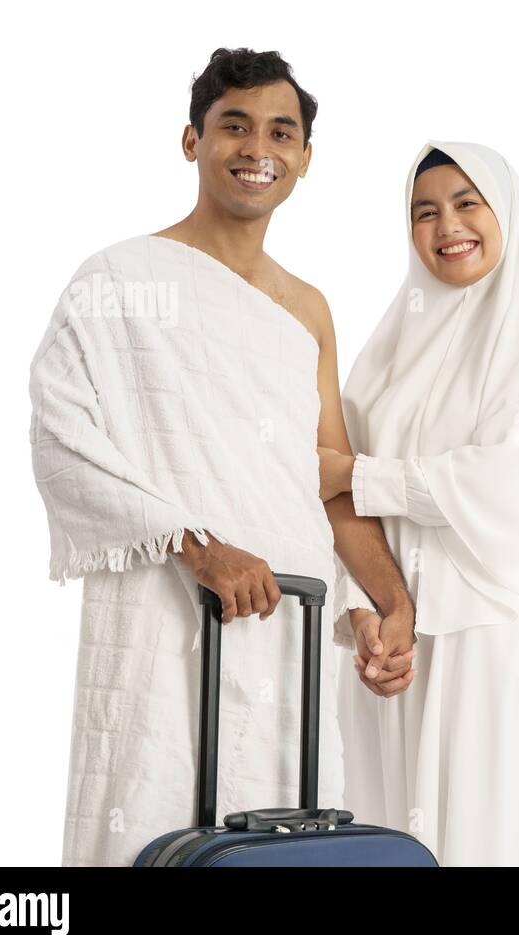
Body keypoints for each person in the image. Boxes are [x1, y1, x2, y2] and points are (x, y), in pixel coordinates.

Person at [28, 47, 410, 866]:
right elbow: (62, 441)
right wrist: (196, 545)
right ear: (191, 140)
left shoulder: (308, 309)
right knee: (157, 818)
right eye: (233, 124)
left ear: (306, 158)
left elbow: (327, 477)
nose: (257, 147)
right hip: (165, 615)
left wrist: (382, 606)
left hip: (292, 630)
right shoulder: (118, 280)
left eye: (281, 131)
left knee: (286, 844)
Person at [319, 142, 519, 865]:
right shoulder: (390, 345)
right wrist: (359, 615)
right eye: (424, 211)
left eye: (467, 203)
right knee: (393, 838)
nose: (446, 225)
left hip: (492, 641)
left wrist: (362, 474)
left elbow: (510, 483)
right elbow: (333, 508)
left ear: (505, 213)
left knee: (493, 835)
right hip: (395, 656)